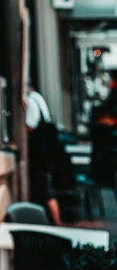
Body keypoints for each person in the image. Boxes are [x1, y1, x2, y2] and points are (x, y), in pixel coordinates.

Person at [26, 85, 76, 225]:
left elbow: (31, 125)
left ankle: (57, 222)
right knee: (46, 188)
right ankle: (55, 221)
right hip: (47, 153)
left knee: (45, 190)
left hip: (40, 154)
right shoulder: (38, 97)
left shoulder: (30, 101)